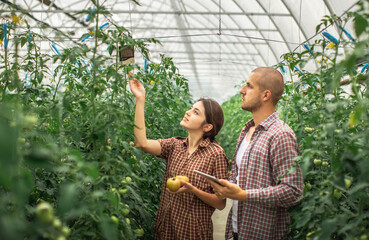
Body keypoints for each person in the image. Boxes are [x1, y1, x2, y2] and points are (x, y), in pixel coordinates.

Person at [128, 73, 229, 240]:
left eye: (195, 112)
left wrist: (192, 189)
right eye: (191, 108)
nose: (188, 112)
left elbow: (220, 202)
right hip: (166, 228)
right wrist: (140, 99)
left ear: (207, 126)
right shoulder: (175, 145)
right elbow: (142, 143)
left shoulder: (215, 154)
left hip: (192, 233)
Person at [209, 67, 304, 240]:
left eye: (249, 86)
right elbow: (239, 177)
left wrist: (244, 195)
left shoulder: (280, 135)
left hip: (263, 232)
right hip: (240, 227)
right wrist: (226, 186)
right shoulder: (247, 130)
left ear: (265, 95)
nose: (241, 90)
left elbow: (293, 192)